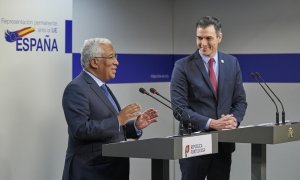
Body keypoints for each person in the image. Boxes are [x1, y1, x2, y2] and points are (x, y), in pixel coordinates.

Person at [62, 38, 158, 180]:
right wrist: (119, 119)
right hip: (91, 172)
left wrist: (135, 126)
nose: (116, 62)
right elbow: (80, 130)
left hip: (112, 170)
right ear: (95, 62)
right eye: (111, 57)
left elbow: (112, 129)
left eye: (116, 57)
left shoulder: (103, 87)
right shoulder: (76, 88)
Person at [170, 16, 247, 180]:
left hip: (223, 144)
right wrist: (211, 123)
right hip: (193, 146)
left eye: (208, 38)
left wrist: (234, 120)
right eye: (199, 38)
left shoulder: (232, 63)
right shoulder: (182, 66)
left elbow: (240, 101)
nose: (203, 43)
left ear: (219, 37)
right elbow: (179, 109)